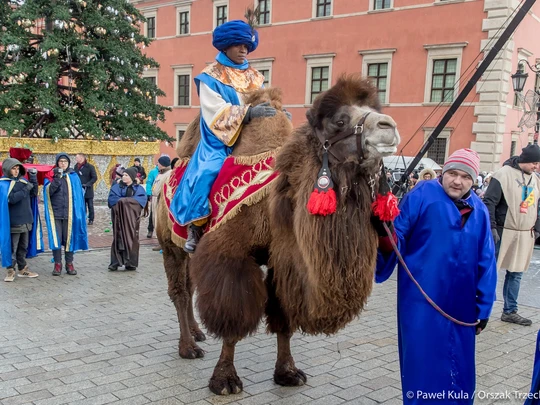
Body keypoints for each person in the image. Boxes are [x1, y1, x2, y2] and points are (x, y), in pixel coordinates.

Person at [375, 148, 497, 404]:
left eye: (465, 177)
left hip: (462, 306)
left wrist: (483, 308)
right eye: (452, 173)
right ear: (443, 173)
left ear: (473, 181)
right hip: (421, 301)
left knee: (460, 367)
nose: (457, 181)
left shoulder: (480, 210)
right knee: (423, 361)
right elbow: (398, 236)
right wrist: (383, 233)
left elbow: (487, 261)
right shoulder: (421, 195)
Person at [170, 19, 277, 253]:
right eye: (239, 45)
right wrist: (248, 113)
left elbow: (263, 99)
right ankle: (195, 225)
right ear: (226, 46)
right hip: (220, 139)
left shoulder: (254, 76)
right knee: (206, 171)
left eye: (247, 47)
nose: (244, 50)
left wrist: (276, 110)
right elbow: (215, 112)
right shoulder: (209, 77)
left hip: (254, 134)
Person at [483, 144, 540, 326]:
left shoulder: (536, 180)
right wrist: (492, 227)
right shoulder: (503, 174)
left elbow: (537, 206)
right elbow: (489, 202)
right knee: (490, 271)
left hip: (525, 233)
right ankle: (481, 309)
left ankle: (510, 311)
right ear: (525, 160)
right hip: (503, 230)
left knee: (516, 273)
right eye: (534, 163)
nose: (536, 167)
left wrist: (537, 227)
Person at [43, 153, 89, 276]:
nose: (63, 163)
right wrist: (57, 179)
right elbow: (48, 192)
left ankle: (69, 263)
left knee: (69, 239)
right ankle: (57, 264)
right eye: (61, 161)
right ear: (57, 162)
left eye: (65, 161)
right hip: (56, 213)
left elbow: (79, 196)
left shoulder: (73, 176)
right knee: (56, 239)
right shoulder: (51, 176)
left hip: (70, 214)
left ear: (68, 163)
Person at [0, 159, 40, 281]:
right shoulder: (4, 184)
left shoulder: (24, 181)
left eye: (18, 169)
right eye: (13, 168)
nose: (16, 171)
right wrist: (26, 189)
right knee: (13, 247)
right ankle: (10, 271)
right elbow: (11, 199)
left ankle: (23, 269)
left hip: (26, 220)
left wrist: (33, 179)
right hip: (14, 222)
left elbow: (33, 193)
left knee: (23, 247)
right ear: (8, 169)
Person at [107, 167, 147, 271]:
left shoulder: (138, 189)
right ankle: (115, 262)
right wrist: (124, 202)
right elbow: (112, 199)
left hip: (131, 220)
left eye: (126, 175)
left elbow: (140, 201)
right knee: (118, 237)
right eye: (123, 175)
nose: (124, 177)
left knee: (132, 237)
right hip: (118, 219)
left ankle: (131, 263)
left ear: (132, 177)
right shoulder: (117, 187)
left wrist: (123, 202)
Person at [151, 156, 172, 251]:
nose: (157, 164)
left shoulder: (168, 174)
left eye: (159, 163)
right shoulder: (160, 173)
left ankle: (163, 242)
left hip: (161, 199)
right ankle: (159, 241)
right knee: (154, 220)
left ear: (162, 164)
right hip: (154, 198)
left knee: (160, 221)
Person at [74, 153, 98, 225]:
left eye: (77, 158)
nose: (76, 159)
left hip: (88, 190)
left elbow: (94, 177)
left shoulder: (90, 167)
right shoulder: (76, 167)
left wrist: (88, 184)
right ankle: (82, 217)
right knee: (81, 205)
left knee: (90, 205)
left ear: (82, 158)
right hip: (79, 189)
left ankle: (91, 219)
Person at [145, 162, 159, 238]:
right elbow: (149, 183)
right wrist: (148, 193)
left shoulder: (168, 171)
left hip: (163, 196)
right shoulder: (153, 172)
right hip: (154, 196)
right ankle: (150, 230)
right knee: (153, 213)